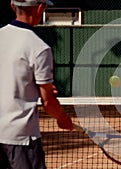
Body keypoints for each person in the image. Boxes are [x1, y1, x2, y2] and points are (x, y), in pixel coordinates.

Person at [0, 0, 74, 168]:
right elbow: (48, 102)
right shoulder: (39, 48)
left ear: (12, 6)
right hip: (21, 139)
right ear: (40, 8)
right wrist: (63, 119)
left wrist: (33, 86)